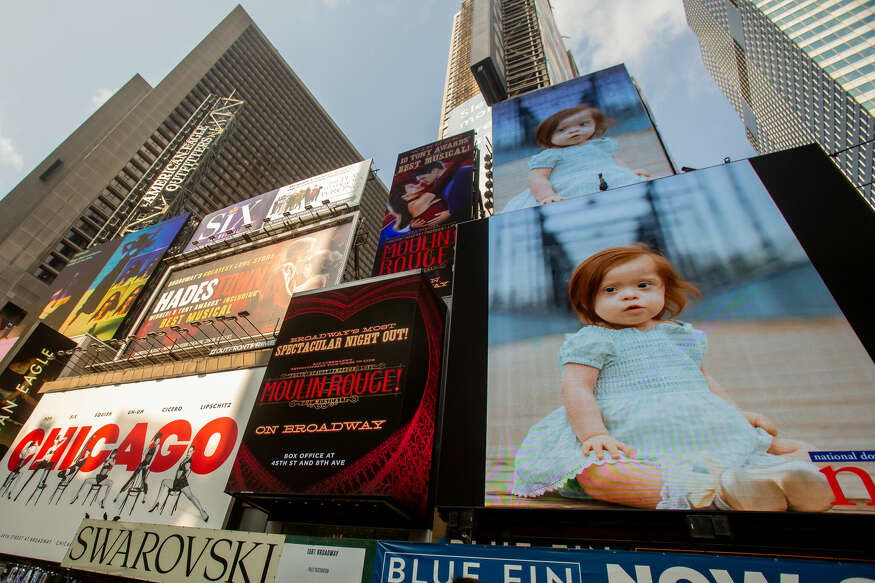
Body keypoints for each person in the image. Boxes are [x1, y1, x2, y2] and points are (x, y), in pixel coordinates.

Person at [511, 244, 833, 511]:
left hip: (703, 426)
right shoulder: (594, 339)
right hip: (630, 434)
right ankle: (712, 495)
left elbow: (704, 381)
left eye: (643, 286)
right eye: (611, 290)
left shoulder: (681, 336)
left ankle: (783, 481)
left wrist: (737, 415)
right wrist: (594, 434)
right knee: (600, 475)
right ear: (588, 302)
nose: (629, 295)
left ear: (663, 290)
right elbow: (577, 388)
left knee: (794, 447)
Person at [502, 105, 649, 212]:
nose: (573, 130)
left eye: (583, 124)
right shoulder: (552, 154)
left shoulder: (600, 145)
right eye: (562, 130)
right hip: (569, 187)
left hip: (610, 178)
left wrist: (630, 172)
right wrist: (547, 196)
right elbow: (537, 178)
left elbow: (613, 161)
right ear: (548, 137)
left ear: (594, 124)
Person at [147, 446, 209, 522]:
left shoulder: (188, 461)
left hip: (180, 483)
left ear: (193, 452)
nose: (188, 453)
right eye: (188, 451)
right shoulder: (186, 459)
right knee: (190, 496)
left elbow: (187, 470)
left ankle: (202, 512)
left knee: (190, 496)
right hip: (179, 482)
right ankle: (202, 512)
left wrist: (183, 475)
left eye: (190, 451)